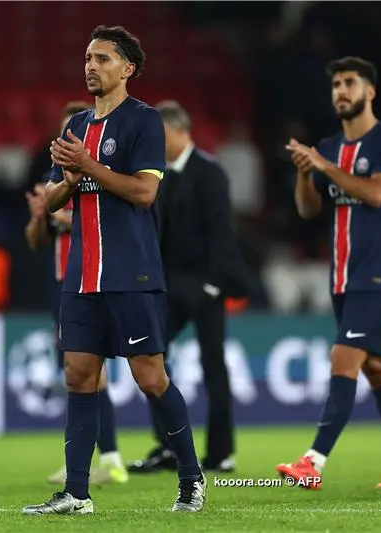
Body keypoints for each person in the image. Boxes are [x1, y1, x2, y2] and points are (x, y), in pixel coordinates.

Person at [22, 25, 206, 516]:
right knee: (79, 376)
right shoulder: (76, 126)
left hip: (132, 272)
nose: (91, 66)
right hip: (82, 275)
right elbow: (55, 199)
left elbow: (145, 192)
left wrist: (88, 167)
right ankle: (76, 494)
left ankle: (191, 479)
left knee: (150, 378)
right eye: (87, 57)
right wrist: (66, 178)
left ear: (127, 69)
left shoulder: (144, 122)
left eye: (103, 58)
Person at [275, 56, 381, 490]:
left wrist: (325, 167)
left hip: (377, 274)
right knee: (379, 368)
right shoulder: (327, 147)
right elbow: (308, 210)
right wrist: (306, 176)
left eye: (350, 83)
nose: (341, 91)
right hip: (342, 277)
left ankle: (313, 461)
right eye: (336, 85)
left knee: (344, 358)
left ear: (370, 91)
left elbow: (379, 194)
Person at [127, 100, 250, 475]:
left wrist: (214, 285)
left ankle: (220, 453)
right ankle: (167, 445)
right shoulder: (158, 175)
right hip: (170, 284)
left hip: (206, 285)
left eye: (162, 136)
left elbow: (222, 232)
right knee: (151, 356)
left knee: (214, 366)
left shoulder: (209, 172)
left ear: (182, 132)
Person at [24, 101, 129, 487]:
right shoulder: (56, 179)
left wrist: (65, 216)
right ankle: (95, 461)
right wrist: (41, 216)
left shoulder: (99, 176)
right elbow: (36, 241)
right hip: (62, 287)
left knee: (93, 376)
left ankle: (113, 460)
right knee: (79, 375)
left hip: (94, 281)